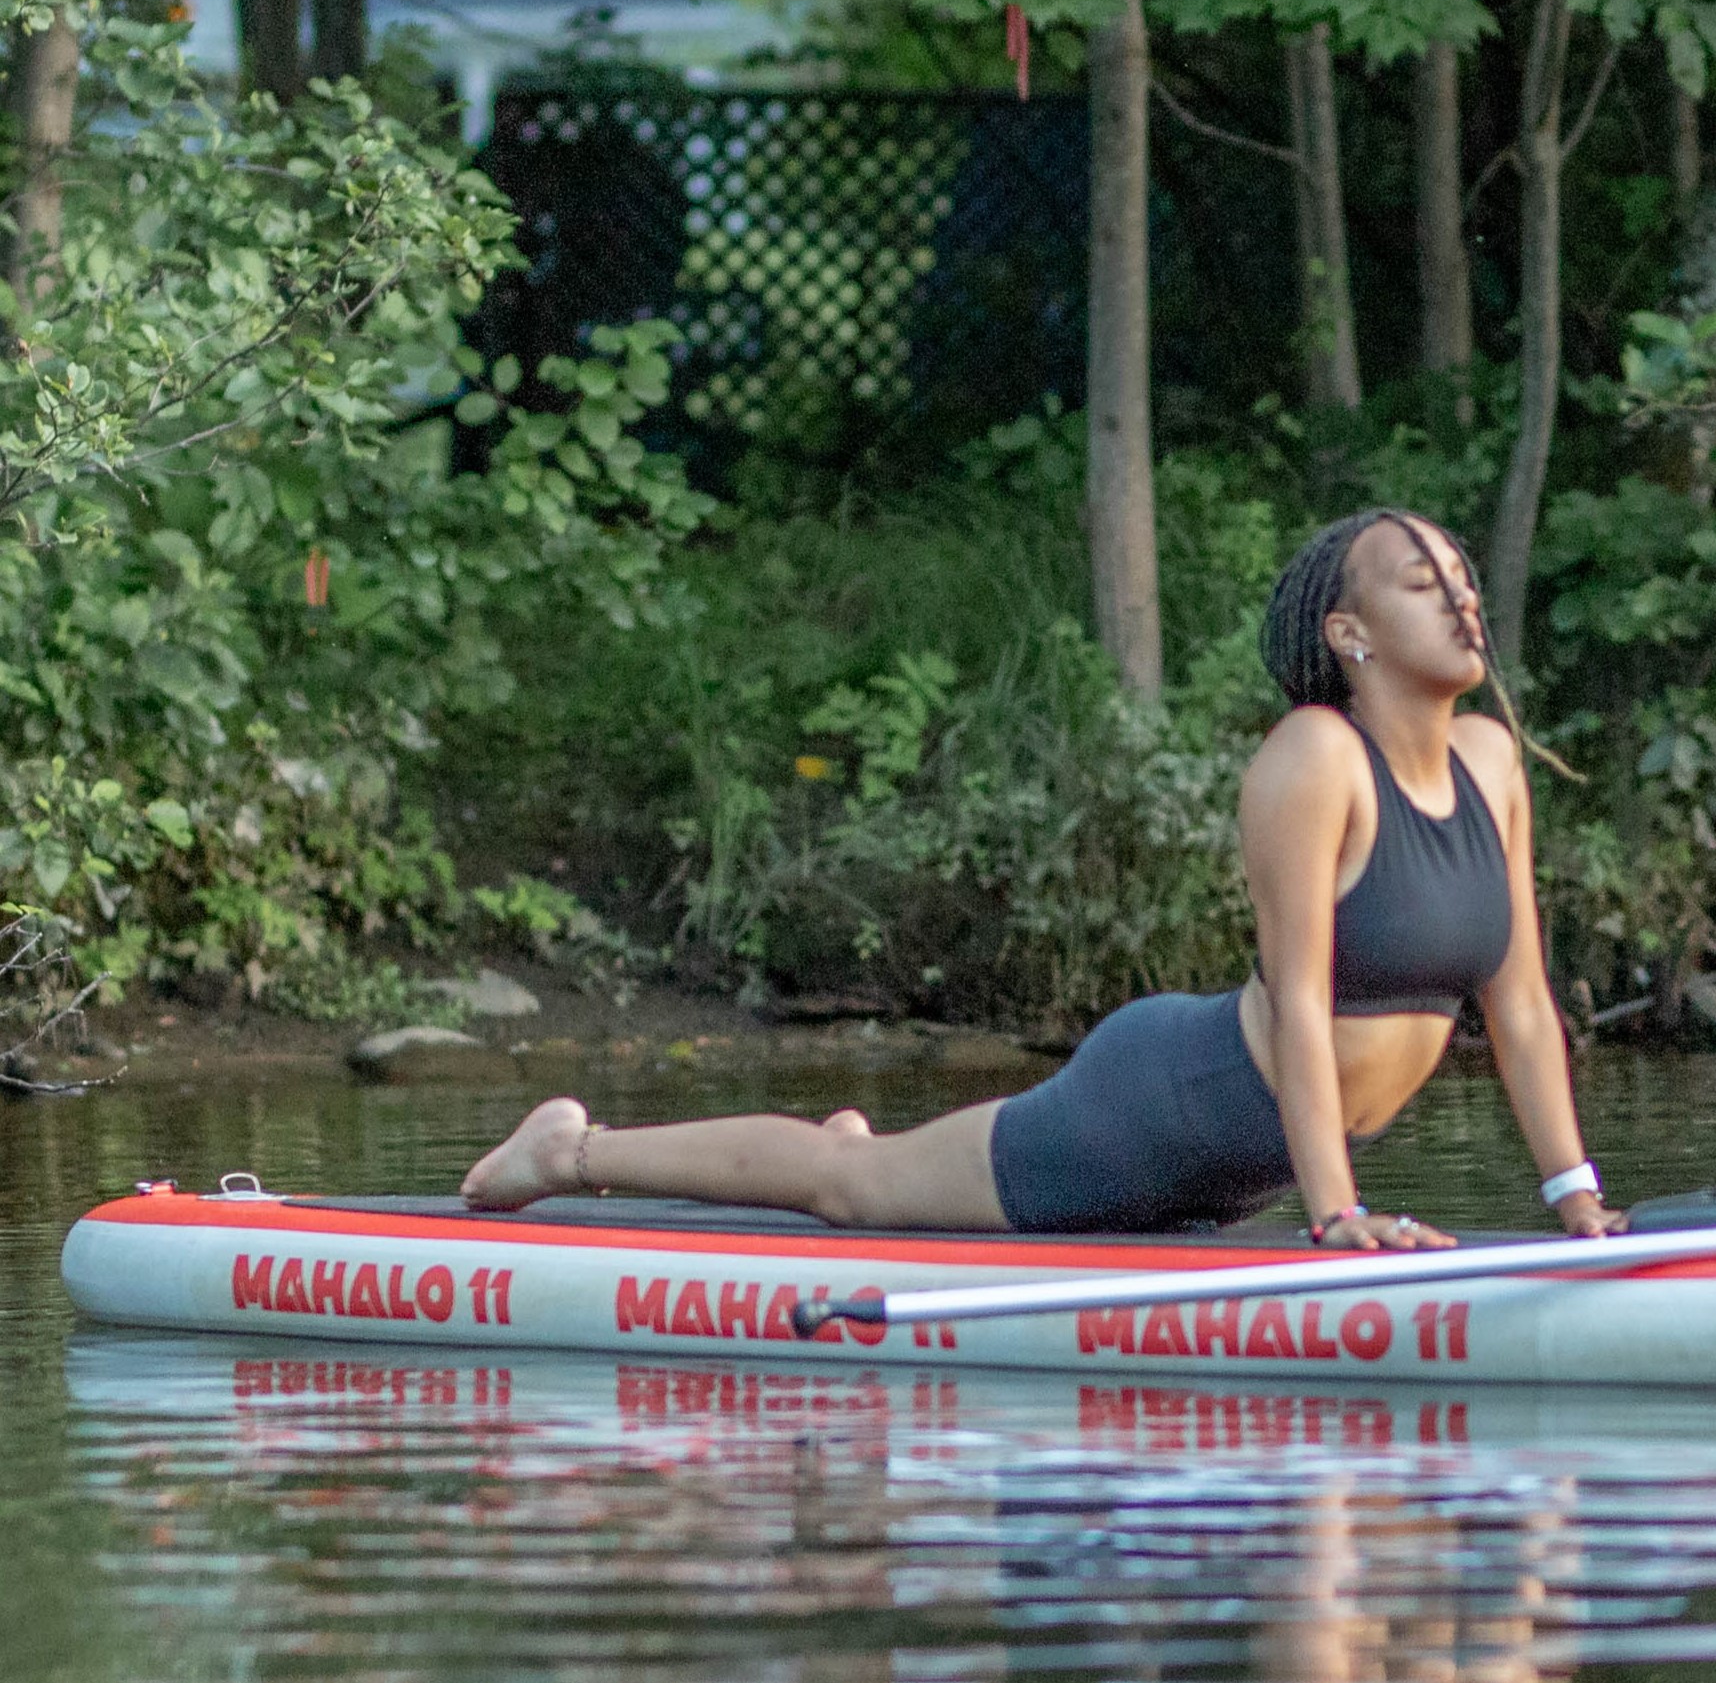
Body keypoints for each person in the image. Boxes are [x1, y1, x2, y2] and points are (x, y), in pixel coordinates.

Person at [462, 509, 1624, 1251]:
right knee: (848, 1191)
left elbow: (1519, 1005)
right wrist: (1339, 1215)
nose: (1462, 594)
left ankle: (871, 1149)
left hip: (1244, 1175)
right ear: (1351, 634)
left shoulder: (1490, 764)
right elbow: (1305, 1004)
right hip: (1163, 1108)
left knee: (881, 1176)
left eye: (1462, 573)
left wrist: (1573, 1197)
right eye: (1421, 581)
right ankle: (567, 1152)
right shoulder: (1315, 757)